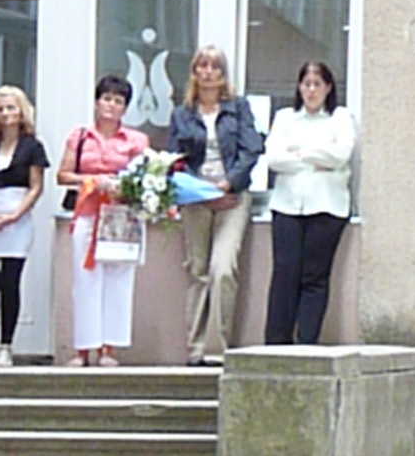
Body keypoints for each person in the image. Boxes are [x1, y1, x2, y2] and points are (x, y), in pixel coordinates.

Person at [165, 45, 264, 366]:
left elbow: (251, 150)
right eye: (202, 66)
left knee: (222, 270)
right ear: (194, 72)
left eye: (214, 66)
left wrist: (228, 184)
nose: (208, 72)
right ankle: (195, 349)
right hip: (195, 198)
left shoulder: (238, 108)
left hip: (232, 198)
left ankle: (217, 349)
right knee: (199, 271)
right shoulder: (182, 114)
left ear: (223, 74)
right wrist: (201, 191)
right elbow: (173, 160)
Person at [57, 75, 151, 368]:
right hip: (87, 212)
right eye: (106, 98)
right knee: (85, 281)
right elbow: (63, 175)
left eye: (118, 101)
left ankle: (108, 349)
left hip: (120, 216)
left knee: (118, 282)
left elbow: (145, 177)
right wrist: (92, 180)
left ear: (125, 107)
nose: (111, 105)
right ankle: (83, 349)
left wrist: (121, 185)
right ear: (97, 102)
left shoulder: (136, 140)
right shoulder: (80, 136)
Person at [261, 60, 357, 345]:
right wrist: (317, 159)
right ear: (299, 87)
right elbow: (274, 158)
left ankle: (307, 341)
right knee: (285, 272)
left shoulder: (340, 117)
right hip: (287, 206)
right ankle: (277, 342)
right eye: (306, 84)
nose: (311, 90)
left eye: (317, 84)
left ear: (328, 88)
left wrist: (300, 152)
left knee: (314, 275)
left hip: (327, 207)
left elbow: (341, 154)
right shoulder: (285, 118)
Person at [0, 85, 49, 368]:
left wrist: (14, 215)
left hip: (17, 218)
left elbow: (36, 187)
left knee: (9, 283)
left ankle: (6, 344)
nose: (5, 114)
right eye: (0, 109)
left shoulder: (32, 147)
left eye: (10, 108)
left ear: (21, 111)